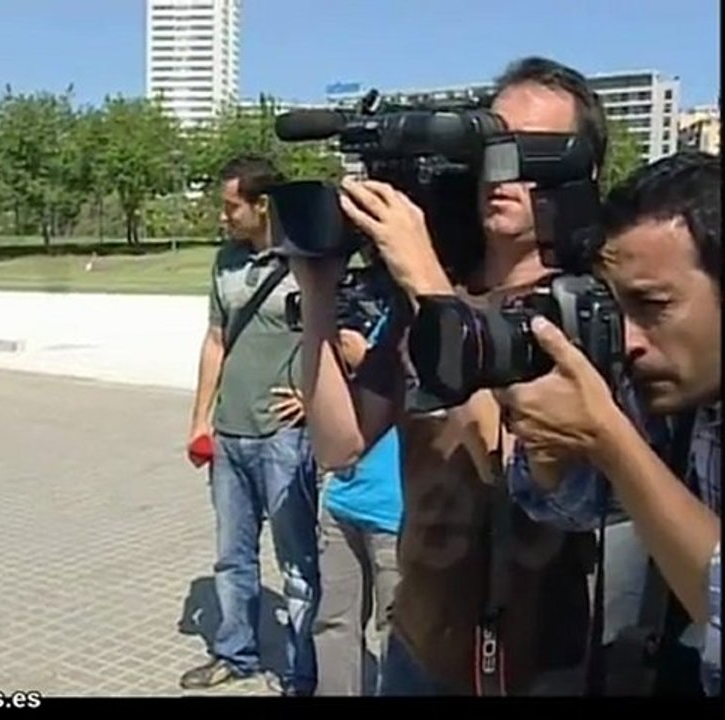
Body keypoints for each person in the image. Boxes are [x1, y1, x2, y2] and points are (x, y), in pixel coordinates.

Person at [293, 56, 608, 695]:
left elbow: (518, 466)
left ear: (580, 169)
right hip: (416, 643)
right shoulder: (437, 291)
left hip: (529, 665)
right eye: (490, 147)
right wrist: (317, 298)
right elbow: (339, 443)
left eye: (529, 152)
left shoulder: (586, 307)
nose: (501, 172)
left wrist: (428, 283)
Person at [499, 151, 720, 696]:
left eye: (653, 305)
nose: (630, 341)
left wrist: (609, 438)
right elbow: (572, 507)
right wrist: (552, 445)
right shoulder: (683, 400)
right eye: (615, 310)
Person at [180, 155, 319, 697]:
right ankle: (234, 654)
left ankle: (303, 671)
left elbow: (337, 334)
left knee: (299, 563)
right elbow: (216, 340)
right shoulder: (225, 261)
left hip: (285, 437)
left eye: (230, 206)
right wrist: (200, 420)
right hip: (230, 435)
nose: (223, 217)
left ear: (262, 205)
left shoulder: (306, 258)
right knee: (232, 556)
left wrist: (314, 398)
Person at [313, 319, 403, 696]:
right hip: (342, 501)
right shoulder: (370, 321)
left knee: (398, 636)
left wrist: (367, 361)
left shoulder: (419, 328)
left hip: (395, 514)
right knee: (334, 624)